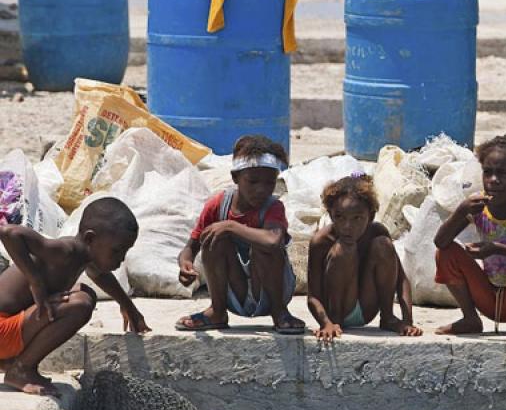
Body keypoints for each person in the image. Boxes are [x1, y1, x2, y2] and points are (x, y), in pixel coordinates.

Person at [0, 197, 148, 396]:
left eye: (125, 252)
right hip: (3, 328)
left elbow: (99, 274)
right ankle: (21, 370)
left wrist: (128, 306)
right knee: (81, 304)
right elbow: (9, 233)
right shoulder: (65, 251)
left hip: (10, 330)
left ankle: (11, 362)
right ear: (89, 239)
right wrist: (36, 283)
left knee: (85, 293)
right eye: (117, 250)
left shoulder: (84, 256)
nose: (121, 259)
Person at [175, 135, 305, 334]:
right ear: (236, 177)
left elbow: (272, 241)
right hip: (234, 291)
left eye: (269, 183)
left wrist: (230, 226)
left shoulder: (273, 207)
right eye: (252, 181)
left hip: (270, 291)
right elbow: (190, 247)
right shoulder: (218, 205)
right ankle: (217, 311)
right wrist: (186, 265)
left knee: (265, 246)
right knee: (214, 239)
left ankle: (280, 313)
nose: (261, 190)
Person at [434, 135, 506, 339]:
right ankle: (470, 318)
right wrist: (461, 211)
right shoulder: (478, 205)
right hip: (489, 296)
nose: (493, 180)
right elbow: (440, 242)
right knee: (446, 252)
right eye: (488, 173)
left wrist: (495, 248)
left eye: (503, 174)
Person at [307, 173, 422, 341]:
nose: (348, 226)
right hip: (336, 310)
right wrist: (325, 323)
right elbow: (313, 297)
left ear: (371, 216)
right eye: (340, 217)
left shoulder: (376, 231)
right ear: (331, 215)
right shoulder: (321, 241)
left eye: (357, 218)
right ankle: (336, 321)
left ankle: (388, 317)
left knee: (383, 244)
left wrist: (407, 321)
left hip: (367, 307)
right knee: (343, 250)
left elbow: (402, 280)